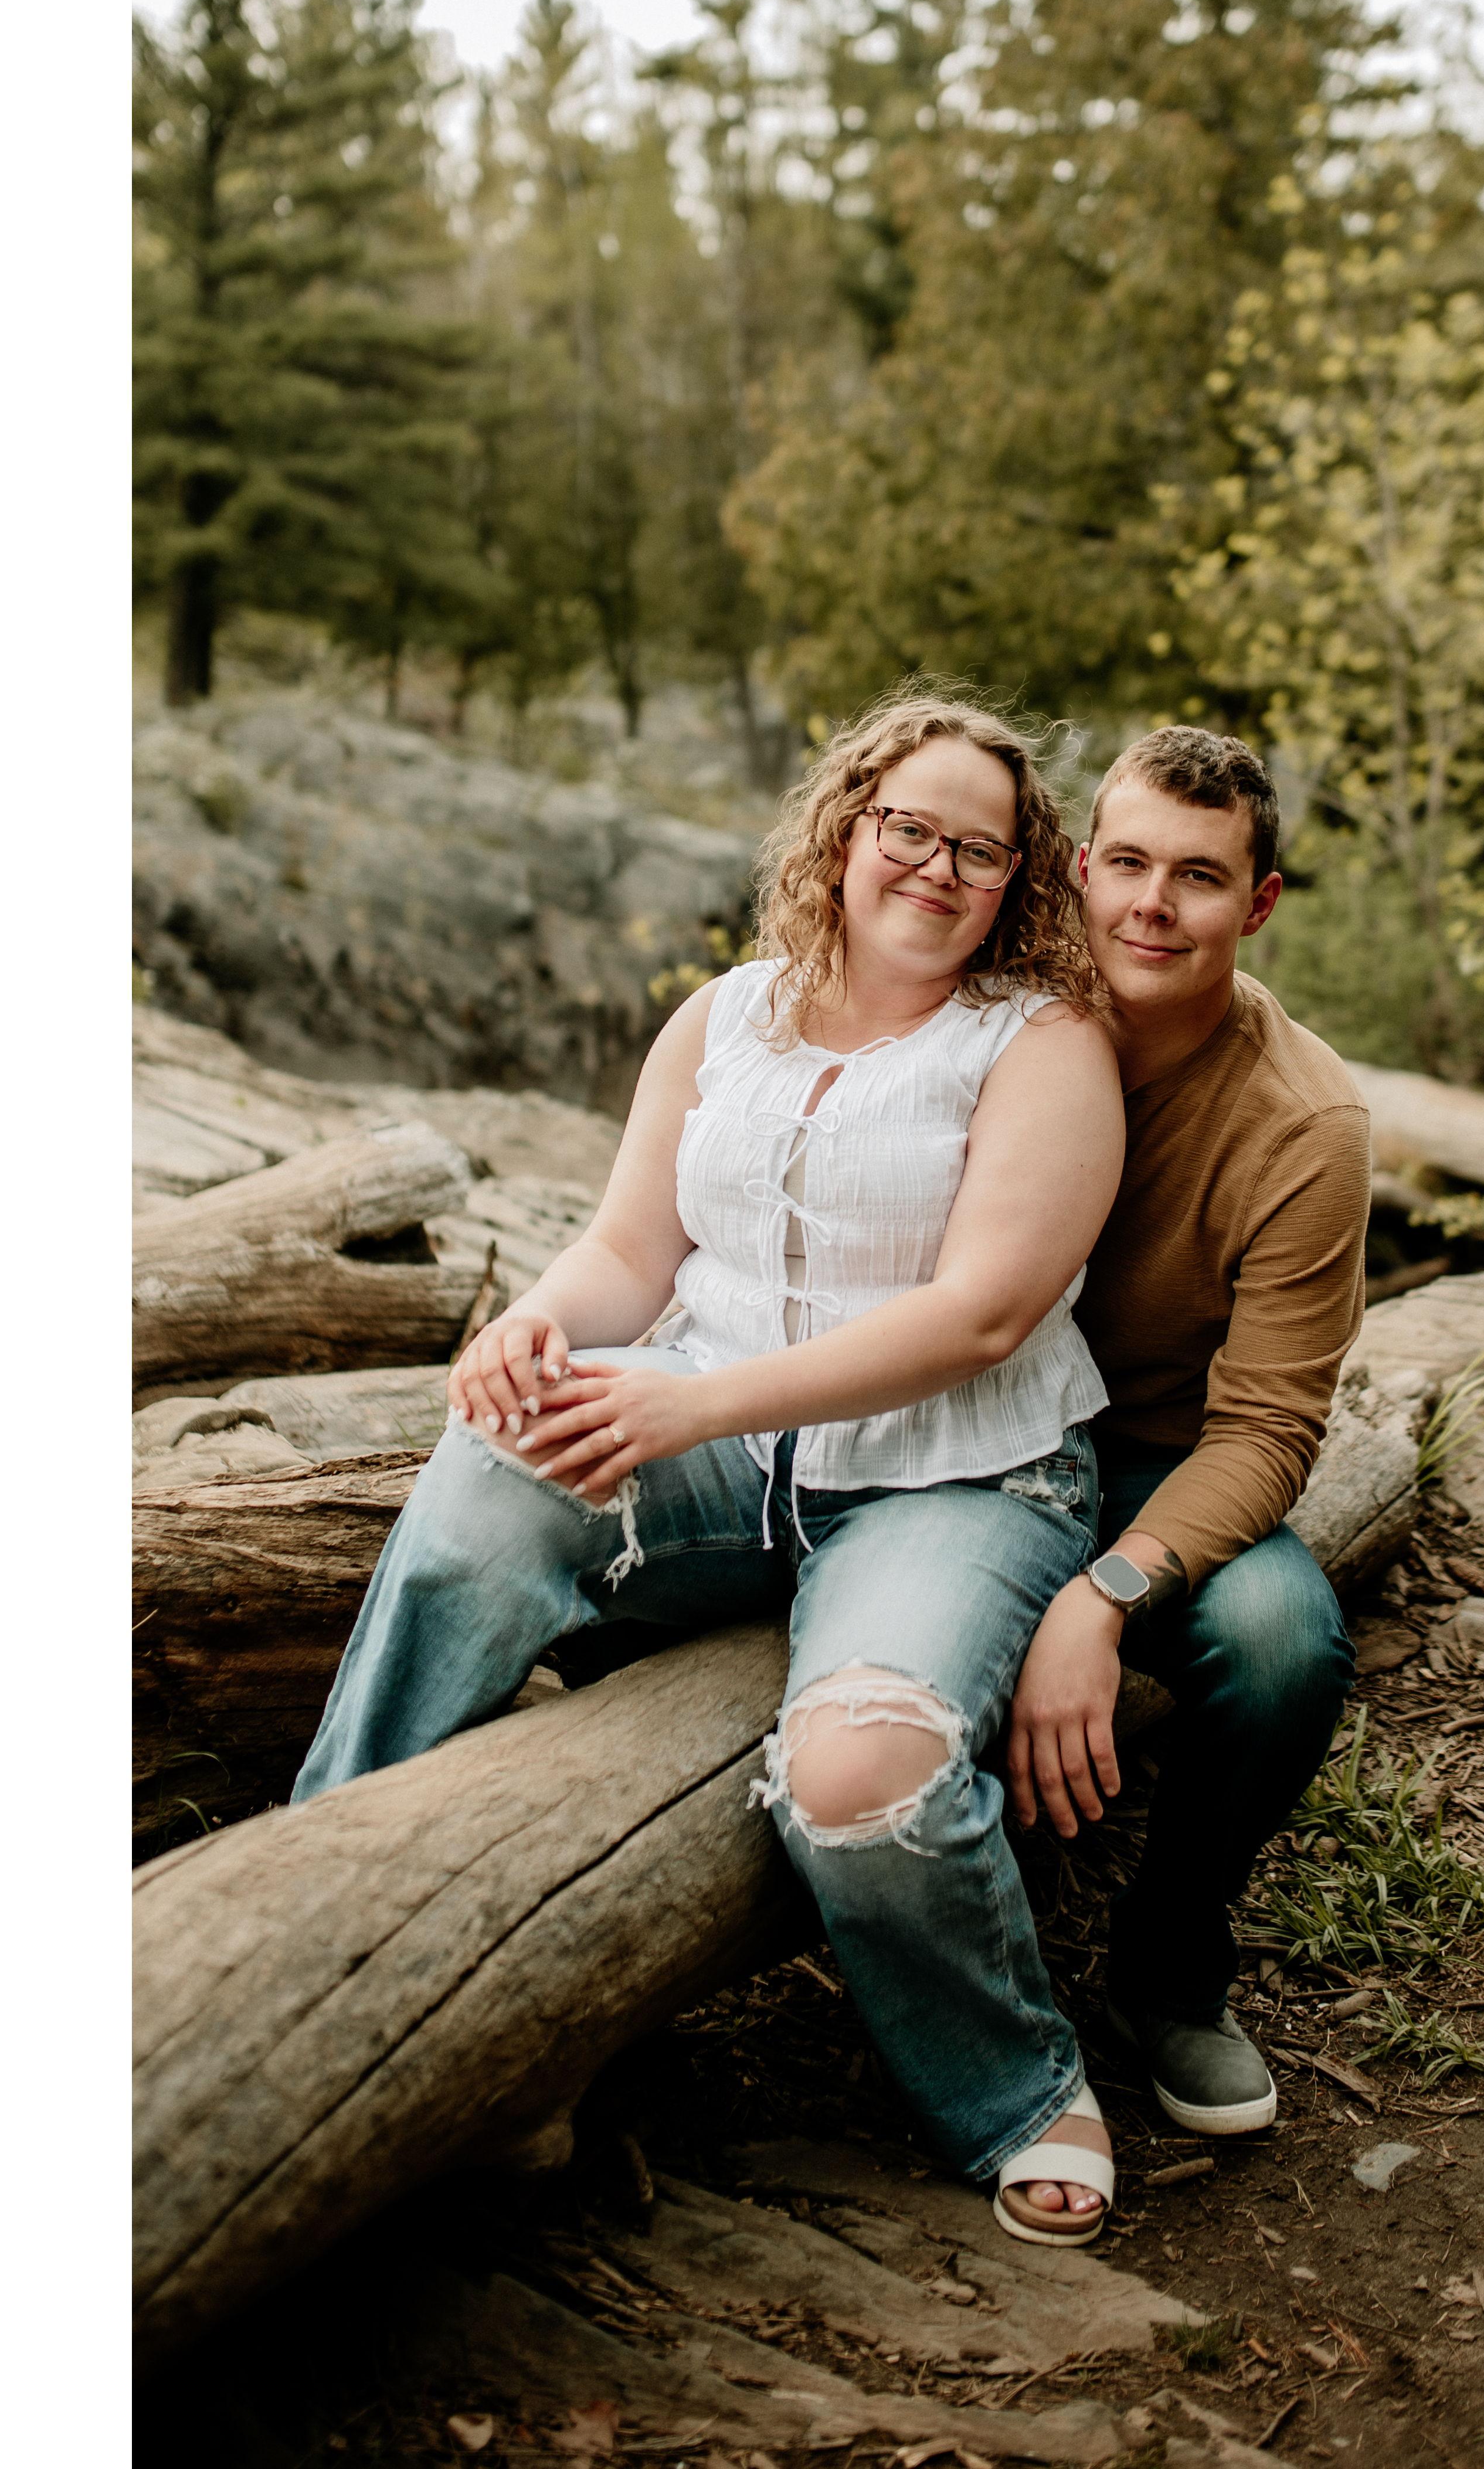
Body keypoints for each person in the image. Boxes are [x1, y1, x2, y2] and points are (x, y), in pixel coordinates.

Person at [290, 691, 1133, 2244]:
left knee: (856, 1776)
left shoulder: (1041, 1044)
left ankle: (1014, 2085)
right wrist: (531, 1327)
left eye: (979, 850)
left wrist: (696, 1407)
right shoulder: (724, 1018)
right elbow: (629, 1252)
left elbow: (981, 1315)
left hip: (954, 1480)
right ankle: (319, 1888)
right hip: (723, 1449)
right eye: (909, 829)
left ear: (1016, 879)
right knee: (493, 1467)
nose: (938, 868)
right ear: (846, 829)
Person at [999, 725, 1370, 2172]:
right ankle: (972, 1960)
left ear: (1258, 902)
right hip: (960, 1431)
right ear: (1081, 867)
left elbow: (1269, 1426)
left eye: (1199, 877)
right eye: (1129, 863)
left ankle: (1165, 1966)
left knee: (1280, 1638)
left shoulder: (1305, 1123)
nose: (1152, 904)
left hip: (1143, 1455)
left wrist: (1106, 1591)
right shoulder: (997, 1007)